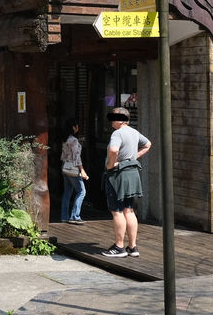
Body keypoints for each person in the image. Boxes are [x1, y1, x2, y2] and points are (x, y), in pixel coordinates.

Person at [101, 106, 151, 257]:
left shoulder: (117, 133)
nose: (111, 121)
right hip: (132, 174)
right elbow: (148, 144)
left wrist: (111, 164)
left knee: (117, 211)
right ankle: (132, 247)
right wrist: (133, 158)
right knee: (129, 210)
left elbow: (114, 150)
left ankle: (119, 247)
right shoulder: (134, 132)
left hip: (117, 175)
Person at [60, 120, 89, 224]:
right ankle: (75, 216)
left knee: (67, 192)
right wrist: (82, 170)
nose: (78, 128)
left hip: (65, 166)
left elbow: (63, 156)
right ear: (73, 127)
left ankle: (64, 216)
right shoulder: (74, 141)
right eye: (77, 126)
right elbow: (77, 158)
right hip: (73, 168)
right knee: (82, 191)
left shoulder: (65, 139)